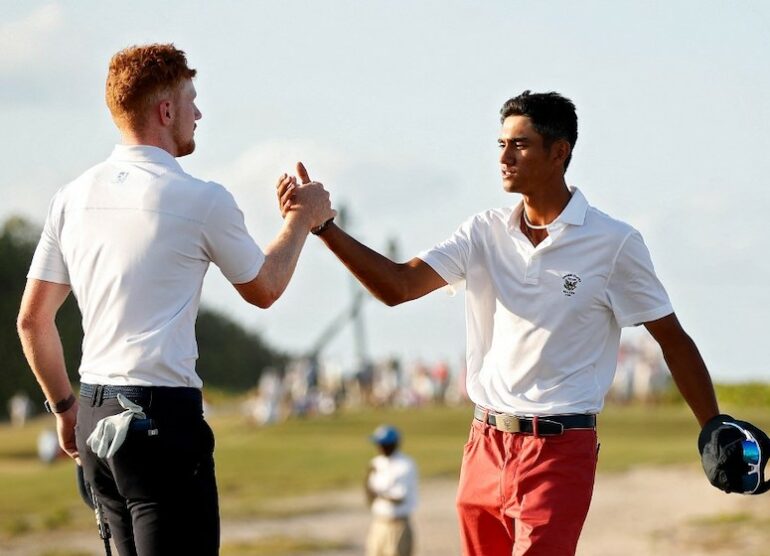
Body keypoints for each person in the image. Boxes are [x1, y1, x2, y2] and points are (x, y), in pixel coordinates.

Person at [277, 91, 766, 555]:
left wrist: (713, 424)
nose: (504, 156)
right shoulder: (482, 232)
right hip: (484, 443)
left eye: (520, 144)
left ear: (559, 152)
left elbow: (672, 341)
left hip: (560, 450)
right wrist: (325, 228)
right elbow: (398, 287)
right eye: (501, 144)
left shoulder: (614, 242)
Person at [16, 43, 334, 556]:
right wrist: (302, 219)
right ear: (166, 111)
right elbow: (266, 288)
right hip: (160, 418)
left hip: (96, 411)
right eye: (191, 100)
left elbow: (33, 322)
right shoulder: (201, 199)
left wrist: (64, 407)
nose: (199, 113)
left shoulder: (72, 198)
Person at [364, 425, 418, 556]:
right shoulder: (377, 463)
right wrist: (366, 480)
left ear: (393, 445)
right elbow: (369, 493)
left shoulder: (405, 465)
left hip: (398, 525)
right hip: (378, 522)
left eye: (383, 444)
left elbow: (399, 499)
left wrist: (378, 494)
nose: (380, 447)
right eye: (378, 444)